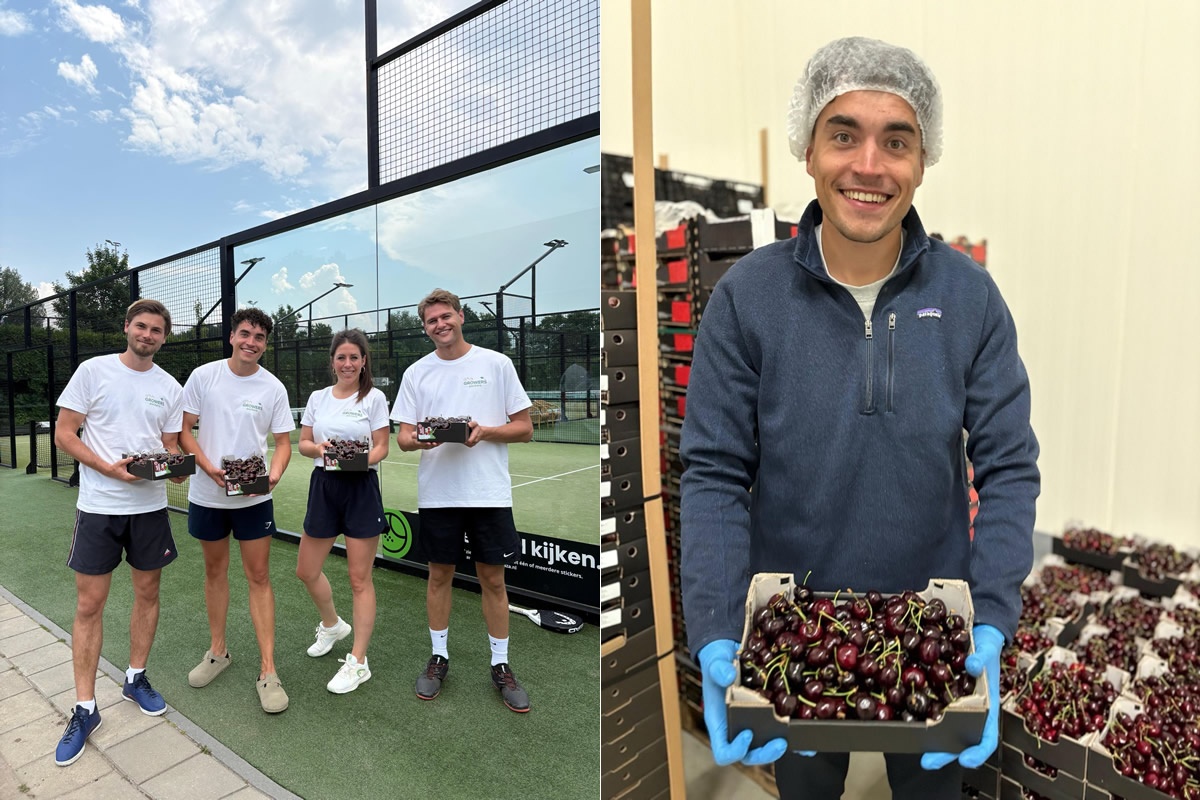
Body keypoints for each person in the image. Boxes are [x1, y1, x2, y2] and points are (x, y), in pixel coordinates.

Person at [679, 36, 1040, 800]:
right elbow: (713, 473)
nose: (869, 165)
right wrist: (715, 626)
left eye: (897, 141)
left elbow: (1009, 466)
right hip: (797, 633)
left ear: (923, 158)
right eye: (844, 135)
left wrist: (991, 617)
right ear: (808, 150)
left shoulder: (970, 297)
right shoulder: (748, 298)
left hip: (935, 634)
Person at [52, 299, 186, 766]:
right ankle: (84, 709)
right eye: (141, 326)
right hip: (99, 508)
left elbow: (169, 446)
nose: (147, 335)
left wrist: (176, 468)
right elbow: (65, 433)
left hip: (149, 509)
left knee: (147, 594)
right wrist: (108, 468)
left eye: (156, 330)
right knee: (89, 605)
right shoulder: (93, 371)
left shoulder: (170, 387)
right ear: (127, 327)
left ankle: (135, 678)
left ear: (164, 337)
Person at [390, 288, 534, 713]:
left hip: (488, 493)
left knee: (494, 580)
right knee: (439, 577)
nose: (440, 324)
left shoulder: (496, 363)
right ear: (425, 328)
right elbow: (402, 437)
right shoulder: (417, 372)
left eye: (445, 316)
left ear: (460, 316)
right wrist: (423, 439)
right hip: (439, 495)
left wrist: (485, 432)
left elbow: (524, 428)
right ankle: (439, 657)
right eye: (432, 321)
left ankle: (501, 664)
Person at [177, 307, 294, 713]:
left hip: (254, 498)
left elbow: (283, 444)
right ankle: (218, 652)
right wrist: (208, 468)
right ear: (232, 336)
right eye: (245, 333)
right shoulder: (203, 376)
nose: (251, 342)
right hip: (207, 495)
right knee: (215, 572)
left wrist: (274, 475)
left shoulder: (273, 387)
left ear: (265, 344)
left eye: (259, 337)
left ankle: (268, 670)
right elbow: (184, 430)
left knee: (258, 576)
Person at [294, 328, 391, 694]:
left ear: (363, 361)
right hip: (324, 486)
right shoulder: (317, 398)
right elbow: (304, 443)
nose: (347, 363)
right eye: (341, 357)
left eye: (354, 357)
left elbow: (382, 447)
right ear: (332, 362)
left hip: (360, 488)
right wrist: (320, 449)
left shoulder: (374, 398)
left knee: (359, 579)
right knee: (306, 570)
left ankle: (358, 662)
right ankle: (333, 625)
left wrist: (359, 461)